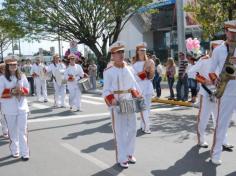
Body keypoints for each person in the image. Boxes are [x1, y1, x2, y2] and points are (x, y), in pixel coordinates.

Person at [103, 41, 141, 168]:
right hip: (116, 104)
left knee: (132, 128)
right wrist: (112, 99)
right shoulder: (108, 71)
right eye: (118, 52)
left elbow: (134, 85)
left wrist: (137, 94)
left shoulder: (130, 69)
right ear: (112, 55)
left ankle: (130, 153)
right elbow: (106, 90)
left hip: (129, 101)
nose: (121, 54)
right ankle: (122, 157)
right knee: (119, 131)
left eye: (122, 52)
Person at [210, 20, 236, 165]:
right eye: (230, 32)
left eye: (235, 33)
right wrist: (216, 81)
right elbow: (211, 71)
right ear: (226, 31)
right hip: (226, 91)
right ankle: (215, 154)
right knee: (222, 124)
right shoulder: (218, 50)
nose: (233, 35)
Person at [0, 55, 30, 161]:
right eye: (11, 65)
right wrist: (12, 91)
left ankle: (25, 152)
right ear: (7, 66)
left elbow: (27, 89)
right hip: (9, 109)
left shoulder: (22, 76)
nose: (13, 66)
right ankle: (15, 150)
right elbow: (0, 93)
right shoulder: (2, 78)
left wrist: (22, 91)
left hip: (22, 107)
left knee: (23, 130)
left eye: (15, 64)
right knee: (13, 132)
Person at [132, 42, 155, 134]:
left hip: (148, 87)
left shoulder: (150, 62)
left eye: (145, 50)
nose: (143, 51)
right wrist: (145, 71)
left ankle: (143, 125)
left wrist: (150, 71)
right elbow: (136, 78)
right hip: (139, 88)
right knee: (143, 109)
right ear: (137, 52)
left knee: (147, 109)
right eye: (141, 50)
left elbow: (151, 77)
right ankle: (146, 127)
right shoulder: (134, 65)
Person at [0, 62, 8, 139]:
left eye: (5, 69)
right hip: (1, 99)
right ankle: (5, 131)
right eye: (2, 69)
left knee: (6, 116)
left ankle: (6, 131)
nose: (4, 70)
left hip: (7, 99)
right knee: (2, 116)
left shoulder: (10, 77)